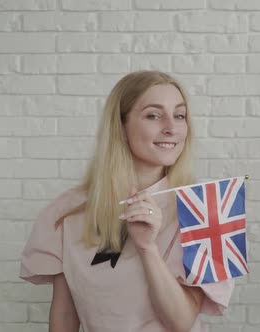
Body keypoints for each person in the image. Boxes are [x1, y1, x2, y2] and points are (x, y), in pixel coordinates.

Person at [20, 71, 234, 332]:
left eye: (179, 115)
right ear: (120, 127)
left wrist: (147, 248)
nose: (171, 127)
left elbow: (182, 322)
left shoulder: (206, 210)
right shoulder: (67, 211)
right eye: (153, 115)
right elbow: (65, 313)